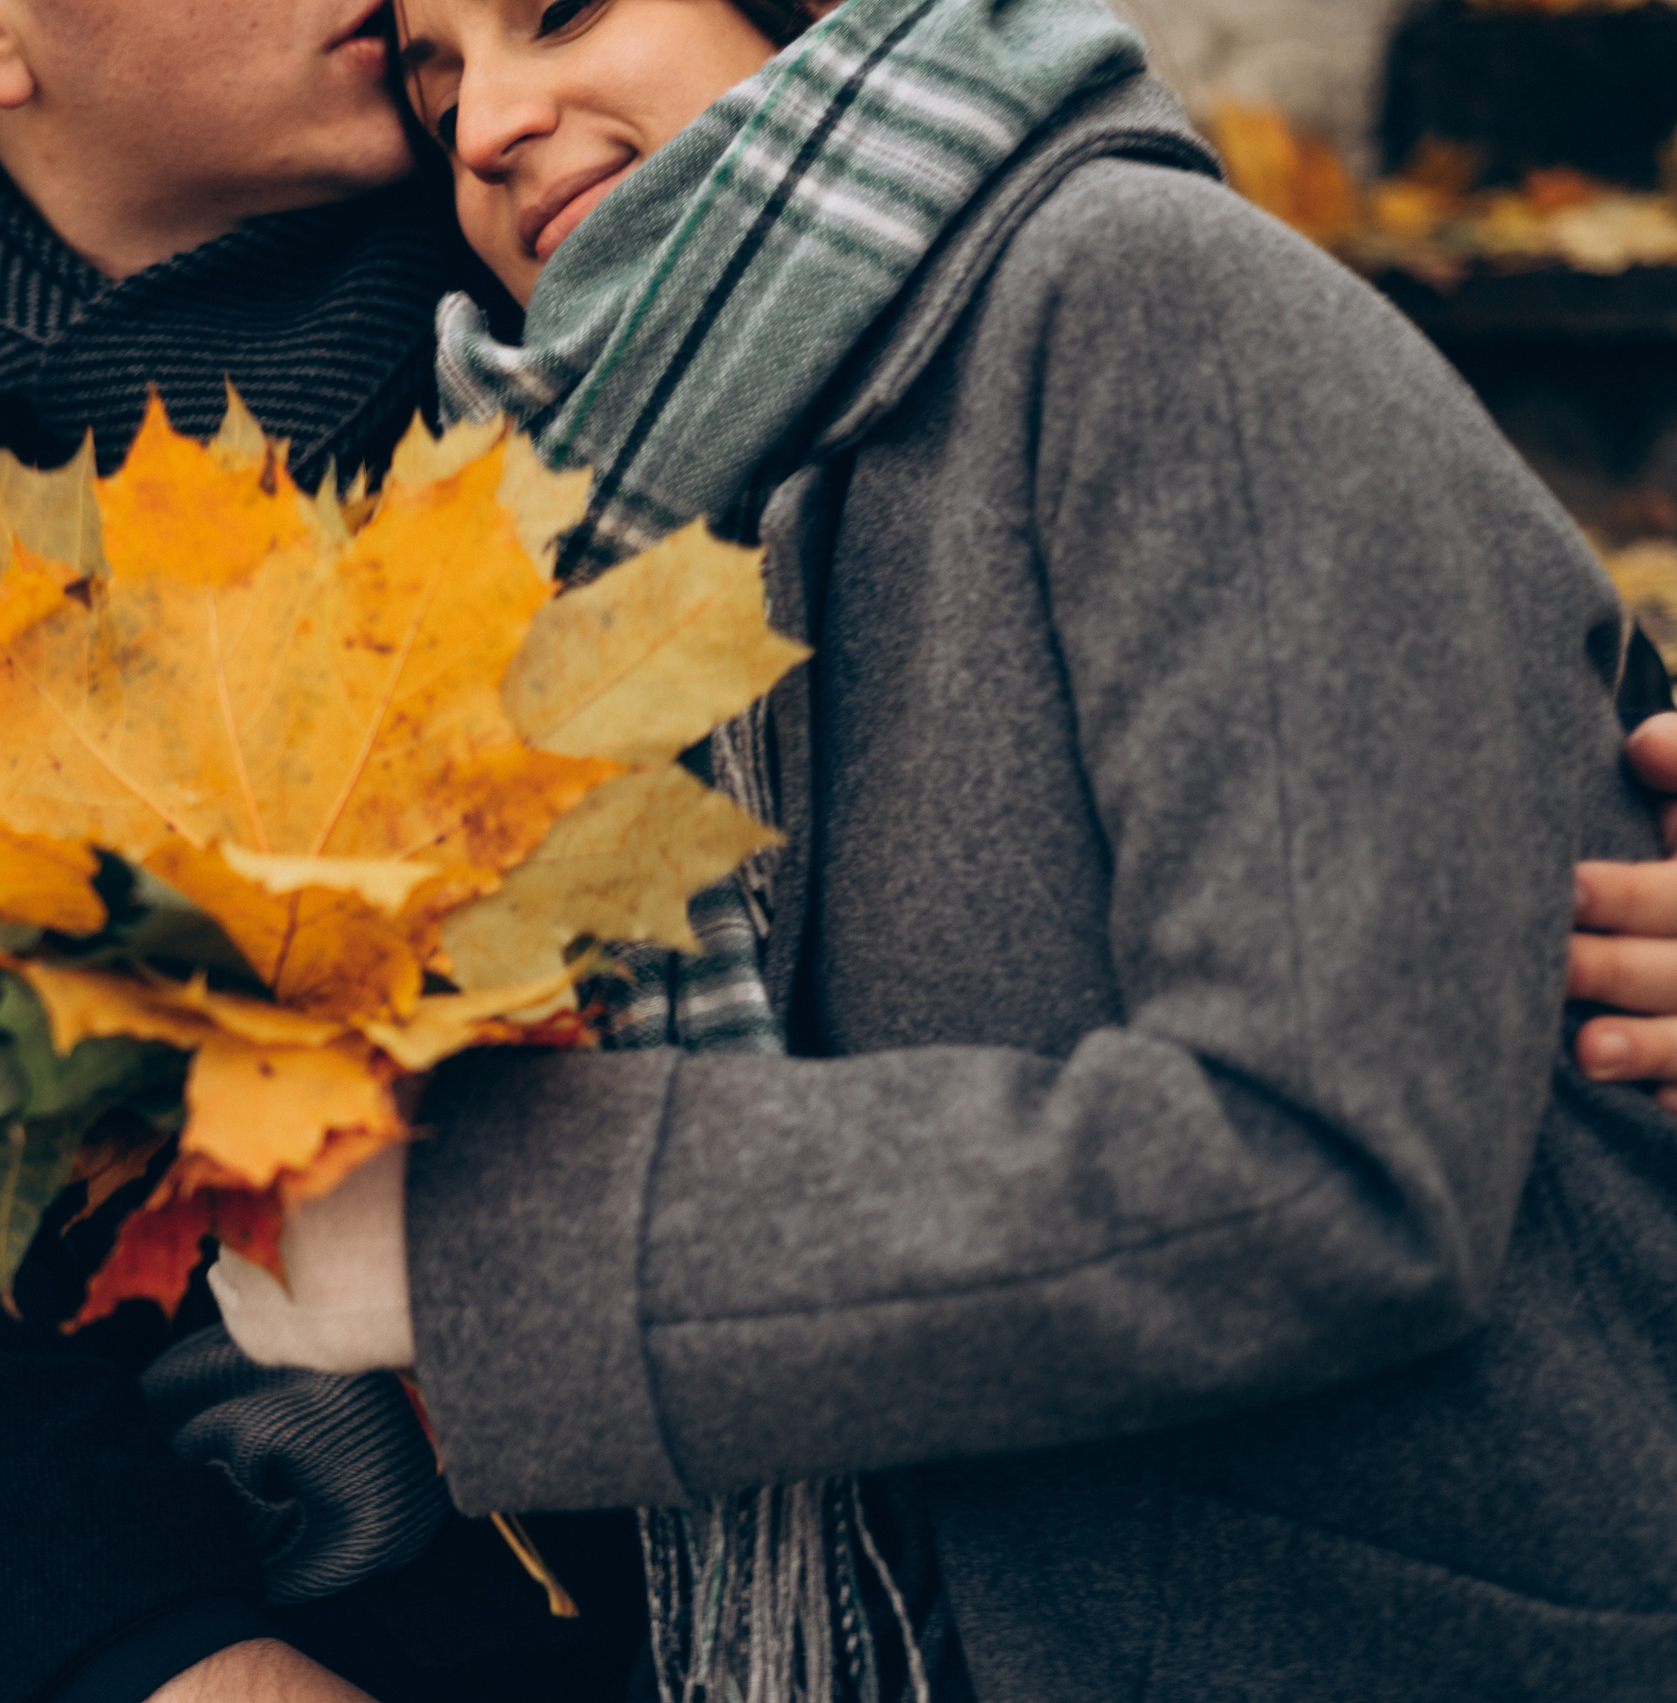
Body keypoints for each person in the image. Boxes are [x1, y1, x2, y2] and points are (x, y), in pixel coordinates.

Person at [0, 1, 1677, 1700]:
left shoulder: (647, 285)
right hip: (100, 1490)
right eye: (447, 60)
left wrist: (1591, 795)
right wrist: (123, 1651)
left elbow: (1323, 629)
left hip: (650, 1520)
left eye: (527, 21)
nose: (489, 110)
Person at [210, 0, 1677, 1698]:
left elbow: (1334, 1164)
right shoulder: (622, 526)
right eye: (437, 80)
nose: (485, 129)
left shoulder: (1147, 301)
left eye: (561, 14)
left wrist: (479, 1244)